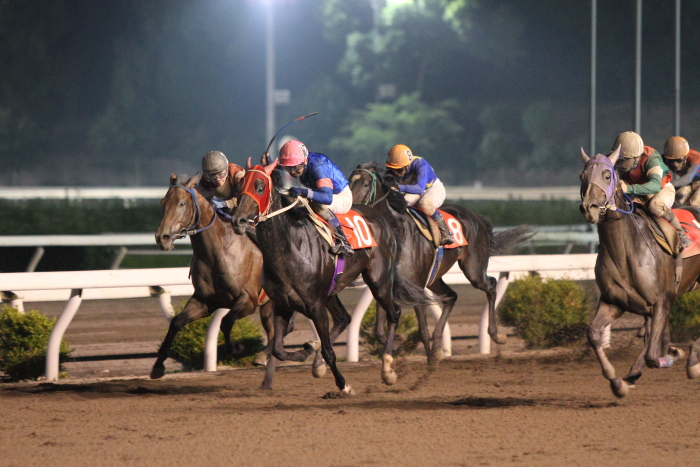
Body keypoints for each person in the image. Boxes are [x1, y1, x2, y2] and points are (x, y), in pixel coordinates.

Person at [612, 131, 691, 249]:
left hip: (661, 189)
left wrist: (628, 188)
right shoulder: (616, 159)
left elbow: (654, 185)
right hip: (636, 191)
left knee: (655, 206)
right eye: (617, 158)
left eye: (624, 159)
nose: (619, 163)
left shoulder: (651, 158)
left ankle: (680, 234)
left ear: (636, 158)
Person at [277, 140, 354, 256]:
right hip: (320, 193)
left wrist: (303, 192)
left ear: (305, 161)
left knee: (319, 205)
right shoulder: (302, 161)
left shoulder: (319, 167)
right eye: (289, 168)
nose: (293, 172)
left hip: (340, 197)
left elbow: (327, 198)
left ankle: (343, 241)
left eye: (296, 167)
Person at [384, 144, 455, 245]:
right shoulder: (394, 167)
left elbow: (419, 189)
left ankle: (446, 232)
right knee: (400, 203)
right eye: (392, 169)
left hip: (432, 189)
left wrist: (399, 188)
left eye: (399, 170)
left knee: (424, 204)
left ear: (407, 165)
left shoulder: (421, 164)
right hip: (413, 191)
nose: (395, 173)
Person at [661, 136, 700, 207]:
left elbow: (688, 177)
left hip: (692, 181)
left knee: (694, 204)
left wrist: (671, 185)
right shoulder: (664, 158)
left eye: (679, 160)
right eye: (671, 160)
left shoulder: (696, 158)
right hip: (689, 183)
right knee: (677, 201)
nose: (675, 164)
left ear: (686, 157)